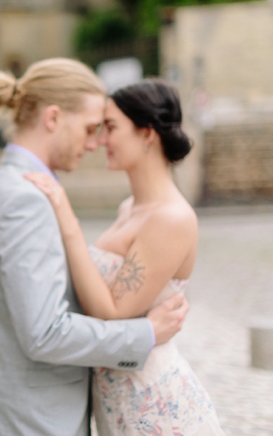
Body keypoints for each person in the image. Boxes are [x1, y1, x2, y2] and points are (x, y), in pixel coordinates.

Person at [0, 59, 189, 436]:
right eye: (89, 128)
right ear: (53, 118)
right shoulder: (25, 198)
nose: (95, 143)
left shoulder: (10, 184)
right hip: (32, 422)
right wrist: (145, 334)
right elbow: (45, 332)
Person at [25, 79, 224, 434]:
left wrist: (66, 219)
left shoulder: (171, 218)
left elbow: (112, 312)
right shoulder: (128, 208)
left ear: (147, 134)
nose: (100, 141)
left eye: (111, 128)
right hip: (115, 396)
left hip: (153, 404)